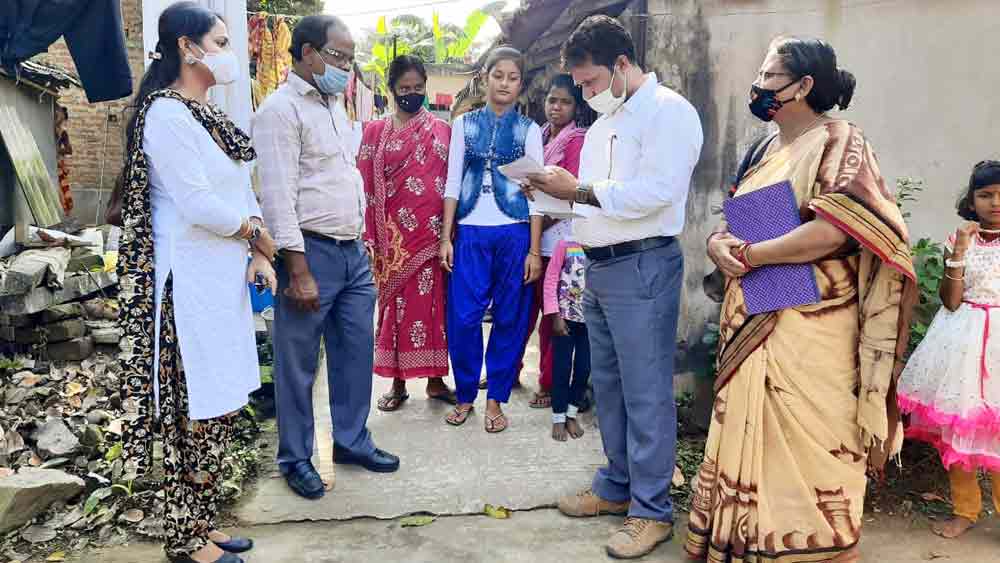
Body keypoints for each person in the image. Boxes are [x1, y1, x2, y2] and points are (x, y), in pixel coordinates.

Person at [685, 37, 916, 563]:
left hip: (811, 325)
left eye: (768, 76)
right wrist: (721, 243)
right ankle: (745, 545)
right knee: (751, 432)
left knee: (813, 442)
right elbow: (740, 222)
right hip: (757, 307)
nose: (759, 86)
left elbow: (837, 231)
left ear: (804, 86)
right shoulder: (765, 149)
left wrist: (751, 252)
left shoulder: (840, 141)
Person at [524, 15, 703, 559]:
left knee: (646, 390)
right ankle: (617, 486)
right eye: (579, 85)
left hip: (643, 263)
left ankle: (652, 511)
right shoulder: (603, 124)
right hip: (598, 263)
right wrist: (552, 192)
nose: (585, 92)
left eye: (591, 81)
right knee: (609, 386)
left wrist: (577, 188)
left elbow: (656, 192)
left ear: (622, 64)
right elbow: (591, 197)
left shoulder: (670, 113)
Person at [117, 3, 276, 562]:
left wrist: (257, 253)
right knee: (192, 412)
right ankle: (182, 539)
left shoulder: (209, 117)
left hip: (222, 285)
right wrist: (256, 234)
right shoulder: (165, 115)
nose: (230, 53)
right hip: (185, 289)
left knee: (218, 409)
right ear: (188, 47)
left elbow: (238, 190)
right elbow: (198, 203)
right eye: (221, 41)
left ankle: (202, 526)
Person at [253, 14, 400, 501]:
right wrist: (297, 269)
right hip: (308, 253)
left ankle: (352, 440)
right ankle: (296, 457)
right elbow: (277, 196)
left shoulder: (335, 107)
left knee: (356, 352)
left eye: (350, 57)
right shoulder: (279, 111)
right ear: (308, 52)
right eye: (339, 56)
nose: (346, 66)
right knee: (298, 364)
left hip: (352, 252)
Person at [440, 46, 545, 433]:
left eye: (512, 78)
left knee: (510, 315)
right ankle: (466, 392)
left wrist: (534, 250)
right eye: (498, 75)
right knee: (463, 316)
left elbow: (536, 193)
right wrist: (445, 236)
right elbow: (452, 182)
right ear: (484, 78)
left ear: (521, 84)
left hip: (515, 232)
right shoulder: (464, 126)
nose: (504, 84)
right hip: (469, 230)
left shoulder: (529, 131)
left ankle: (496, 397)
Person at [898, 160, 1000, 539]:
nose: (995, 202)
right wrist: (958, 250)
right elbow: (951, 301)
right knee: (961, 430)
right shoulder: (961, 241)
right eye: (985, 195)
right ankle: (966, 509)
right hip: (962, 343)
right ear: (971, 201)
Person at [357, 54, 456, 411]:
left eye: (418, 88)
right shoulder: (374, 133)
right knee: (396, 311)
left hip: (432, 239)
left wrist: (449, 234)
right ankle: (398, 385)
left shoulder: (442, 130)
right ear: (391, 90)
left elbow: (451, 186)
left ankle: (435, 381)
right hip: (392, 242)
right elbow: (366, 186)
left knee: (433, 310)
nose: (411, 94)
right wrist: (370, 236)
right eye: (404, 89)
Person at [521, 74, 590, 409]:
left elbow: (573, 194)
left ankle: (548, 383)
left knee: (553, 317)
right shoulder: (541, 136)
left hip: (562, 239)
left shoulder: (577, 141)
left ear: (576, 106)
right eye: (552, 100)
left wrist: (539, 221)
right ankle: (510, 369)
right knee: (523, 312)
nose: (556, 107)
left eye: (564, 101)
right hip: (536, 235)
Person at [542, 237, 589, 441]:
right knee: (561, 368)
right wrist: (555, 315)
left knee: (584, 368)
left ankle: (571, 414)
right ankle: (558, 417)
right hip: (565, 320)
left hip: (591, 321)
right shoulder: (565, 245)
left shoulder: (601, 244)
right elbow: (551, 279)